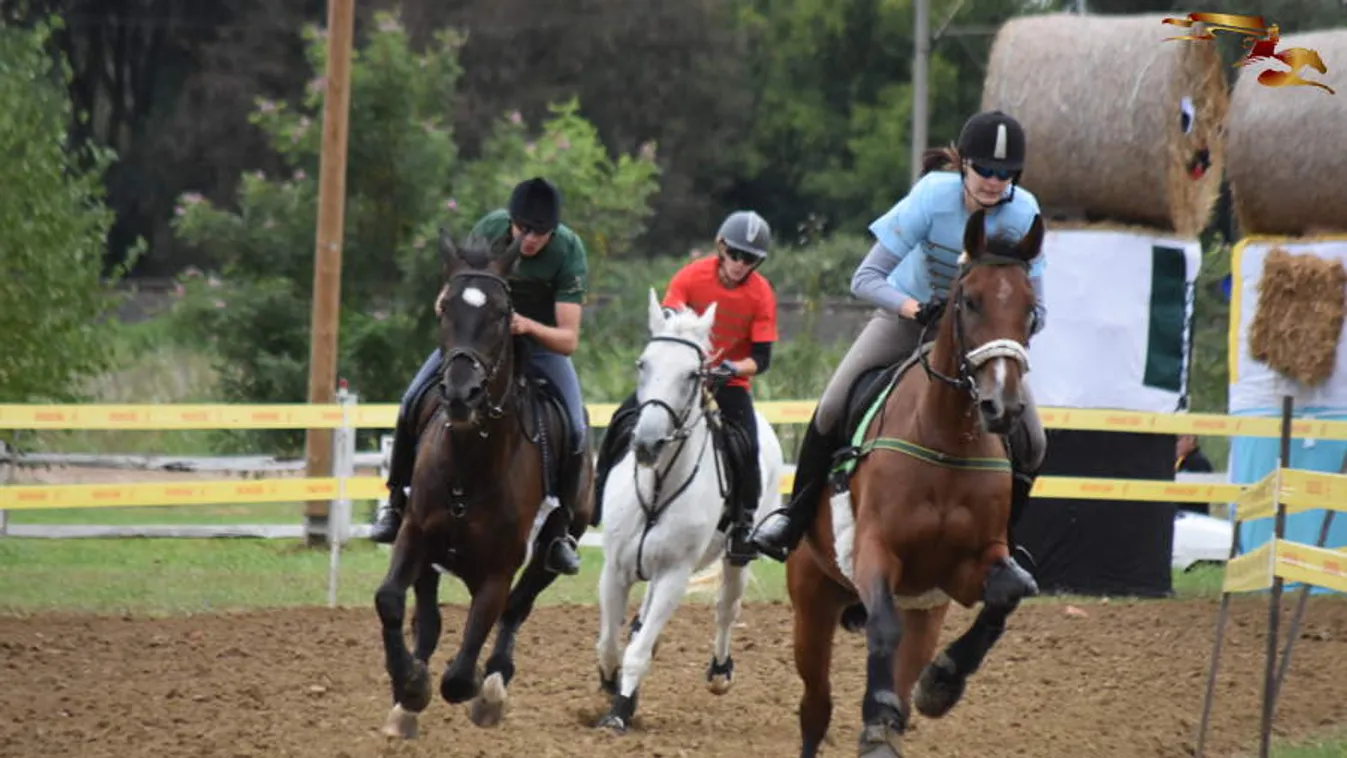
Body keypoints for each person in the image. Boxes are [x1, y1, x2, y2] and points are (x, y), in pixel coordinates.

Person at [750, 110, 1048, 586]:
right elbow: (865, 278)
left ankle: (1005, 546)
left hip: (979, 338)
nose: (994, 181)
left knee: (1033, 440)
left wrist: (1005, 332)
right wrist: (915, 309)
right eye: (985, 170)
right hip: (908, 319)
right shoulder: (932, 197)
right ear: (964, 165)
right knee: (833, 405)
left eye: (1005, 173)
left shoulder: (1025, 213)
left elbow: (1039, 310)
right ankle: (793, 518)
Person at [369, 176, 590, 576]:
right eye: (523, 229)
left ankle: (560, 531)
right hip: (478, 343)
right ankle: (395, 503)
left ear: (553, 232)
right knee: (411, 401)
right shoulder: (490, 228)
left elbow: (569, 339)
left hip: (538, 345)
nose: (530, 239)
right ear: (511, 221)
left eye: (540, 233)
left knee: (575, 427)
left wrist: (525, 326)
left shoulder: (568, 251)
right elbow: (452, 292)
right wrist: (447, 302)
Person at [592, 210, 779, 566]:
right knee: (621, 419)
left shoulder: (761, 294)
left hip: (728, 381)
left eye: (750, 259)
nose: (740, 264)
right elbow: (668, 321)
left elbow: (762, 358)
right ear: (721, 246)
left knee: (747, 445)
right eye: (735, 254)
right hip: (679, 377)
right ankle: (597, 494)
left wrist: (732, 368)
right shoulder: (691, 276)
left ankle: (743, 525)